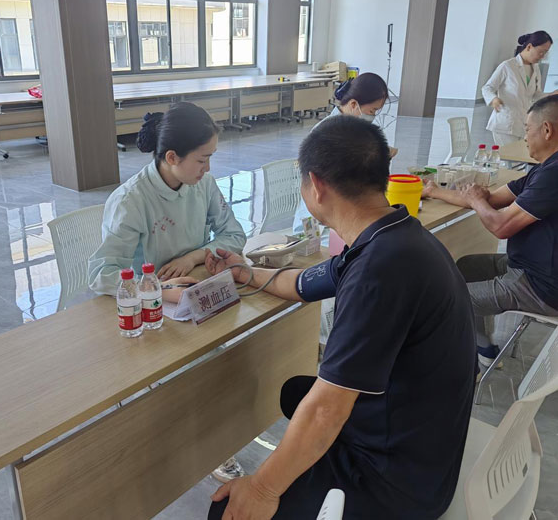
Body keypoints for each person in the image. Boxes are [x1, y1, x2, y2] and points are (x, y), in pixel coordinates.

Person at [206, 115, 476, 519]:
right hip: (420, 435)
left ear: (316, 185)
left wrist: (261, 488)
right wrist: (242, 272)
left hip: (396, 482)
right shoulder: (393, 235)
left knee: (228, 511)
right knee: (295, 393)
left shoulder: (378, 272)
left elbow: (328, 409)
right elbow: (301, 283)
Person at [87, 102, 248, 483]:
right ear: (172, 157)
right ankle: (206, 446)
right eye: (202, 159)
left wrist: (195, 255)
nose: (208, 168)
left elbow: (234, 233)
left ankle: (215, 437)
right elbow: (101, 274)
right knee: (202, 379)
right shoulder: (132, 200)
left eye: (210, 158)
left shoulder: (201, 184)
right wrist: (161, 288)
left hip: (194, 297)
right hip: (150, 314)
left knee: (230, 363)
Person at [422, 94, 558, 369]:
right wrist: (434, 191)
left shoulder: (553, 175)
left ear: (547, 130)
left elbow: (500, 225)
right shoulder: (544, 170)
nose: (525, 138)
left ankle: (457, 365)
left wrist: (476, 200)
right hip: (531, 265)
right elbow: (493, 199)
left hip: (542, 285)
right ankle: (483, 345)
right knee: (466, 266)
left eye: (527, 130)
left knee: (444, 298)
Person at [293, 72, 397, 233]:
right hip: (321, 223)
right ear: (354, 104)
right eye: (372, 111)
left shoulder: (353, 129)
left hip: (341, 216)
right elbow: (341, 183)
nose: (373, 116)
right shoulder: (328, 132)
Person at [482, 31, 555, 146]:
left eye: (545, 53)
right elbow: (487, 88)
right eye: (541, 52)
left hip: (523, 123)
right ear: (529, 47)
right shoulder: (507, 66)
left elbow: (535, 95)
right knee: (509, 156)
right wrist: (494, 99)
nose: (543, 56)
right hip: (505, 124)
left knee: (519, 155)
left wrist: (551, 94)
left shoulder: (535, 69)